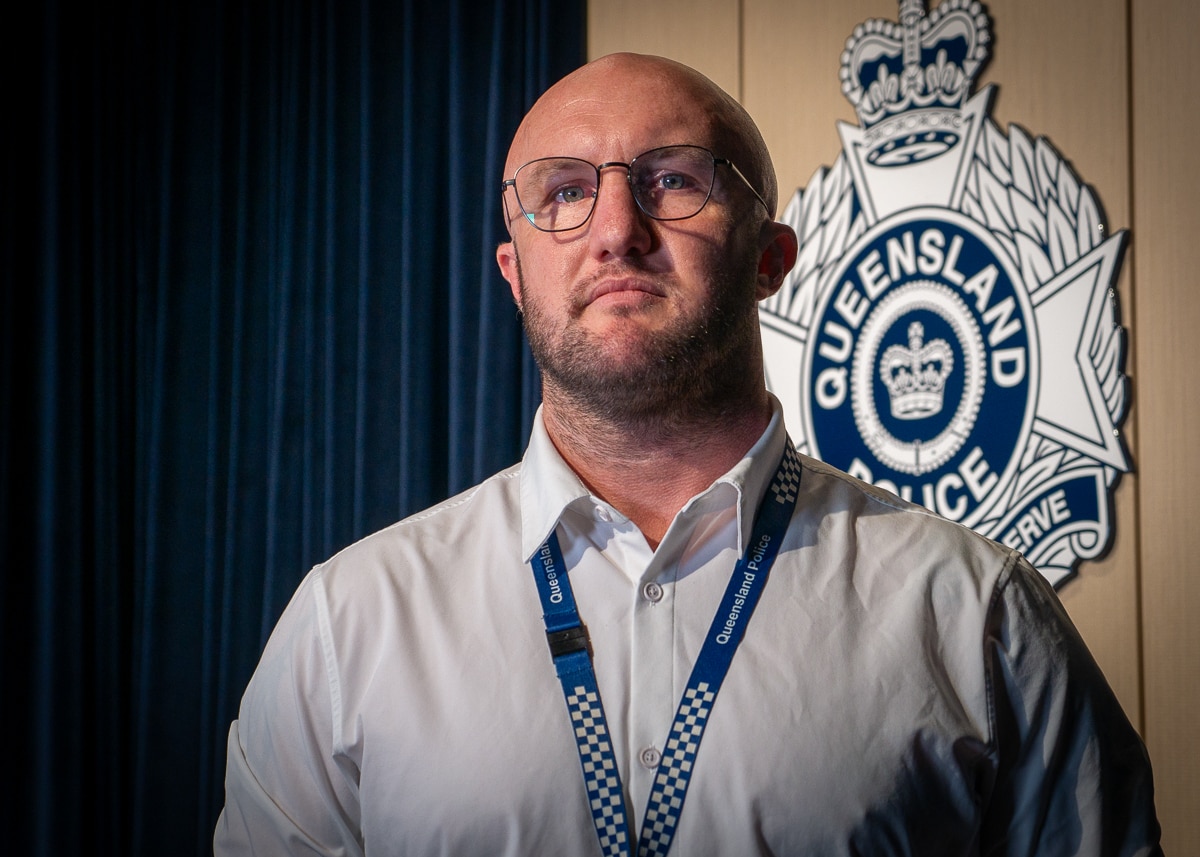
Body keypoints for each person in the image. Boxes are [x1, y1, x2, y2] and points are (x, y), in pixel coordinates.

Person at [214, 53, 1161, 856]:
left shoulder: (977, 615)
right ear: (514, 271)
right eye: (565, 193)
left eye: (673, 179)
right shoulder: (347, 628)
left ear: (770, 256)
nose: (617, 231)